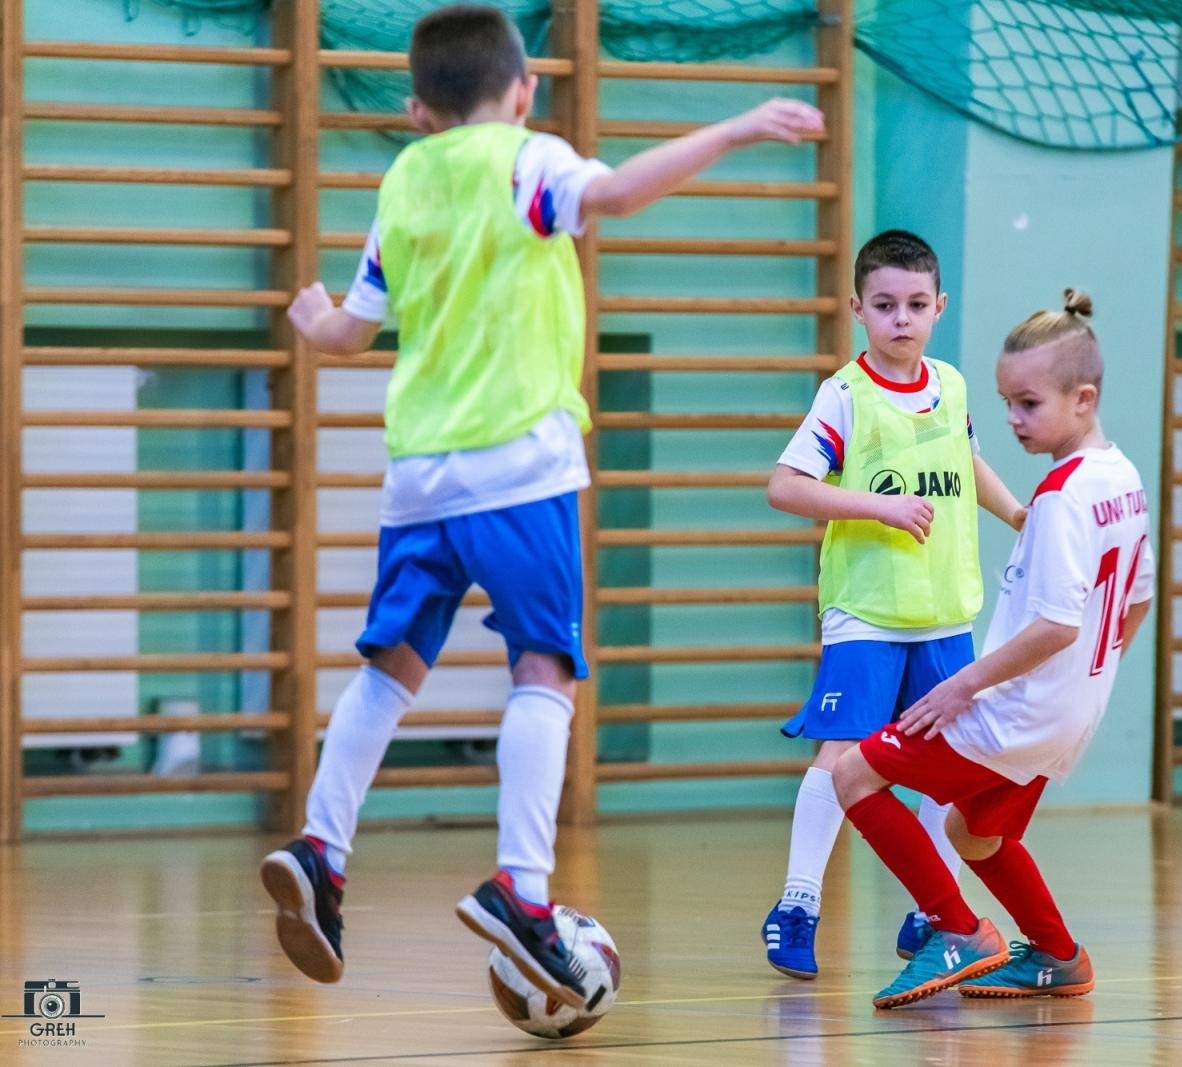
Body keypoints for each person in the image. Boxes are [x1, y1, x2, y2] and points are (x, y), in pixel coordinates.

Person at [257, 3, 822, 1008]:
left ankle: (320, 847)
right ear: (522, 88)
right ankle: (522, 888)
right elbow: (616, 190)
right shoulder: (528, 159)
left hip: (418, 473)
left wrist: (312, 321)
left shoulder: (403, 178)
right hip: (518, 462)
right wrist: (734, 129)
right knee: (544, 665)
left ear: (416, 108)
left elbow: (352, 333)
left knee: (391, 666)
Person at [831, 288, 1154, 1009]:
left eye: (1029, 404)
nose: (1012, 418)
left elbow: (1055, 626)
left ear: (1083, 397)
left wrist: (961, 687)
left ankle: (959, 930)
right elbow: (1136, 600)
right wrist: (1088, 685)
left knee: (853, 775)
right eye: (1007, 401)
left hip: (1017, 711)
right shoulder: (1123, 479)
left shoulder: (1062, 497)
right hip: (1068, 716)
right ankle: (1058, 954)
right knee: (972, 832)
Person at [762, 230, 1027, 979]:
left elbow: (967, 461)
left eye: (915, 304)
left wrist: (1015, 513)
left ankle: (933, 915)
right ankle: (797, 904)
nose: (901, 319)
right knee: (843, 754)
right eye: (885, 305)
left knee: (951, 768)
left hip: (944, 614)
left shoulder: (953, 384)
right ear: (858, 309)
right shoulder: (845, 394)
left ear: (939, 307)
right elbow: (786, 485)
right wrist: (876, 509)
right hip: (867, 614)